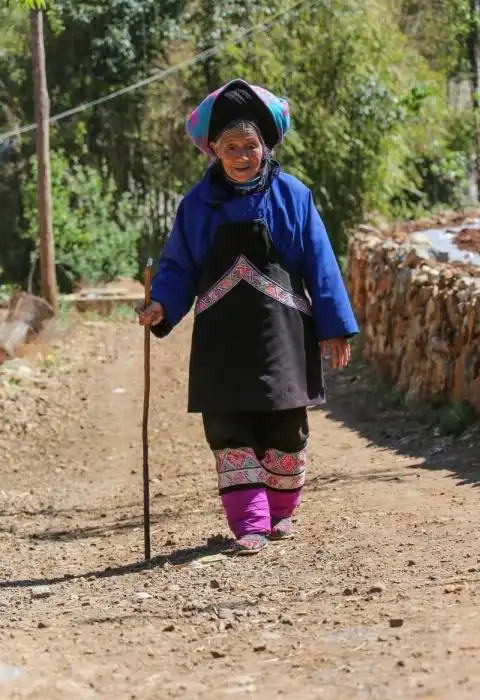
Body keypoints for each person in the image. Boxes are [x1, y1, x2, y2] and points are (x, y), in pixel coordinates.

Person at [137, 79, 359, 554]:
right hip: (220, 340)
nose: (242, 156)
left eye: (250, 146)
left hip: (283, 334)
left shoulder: (293, 196)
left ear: (266, 146)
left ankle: (279, 514)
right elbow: (178, 267)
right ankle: (251, 526)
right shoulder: (196, 206)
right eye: (231, 147)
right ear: (214, 151)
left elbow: (320, 262)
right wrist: (161, 304)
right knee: (228, 428)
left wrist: (334, 327)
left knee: (286, 427)